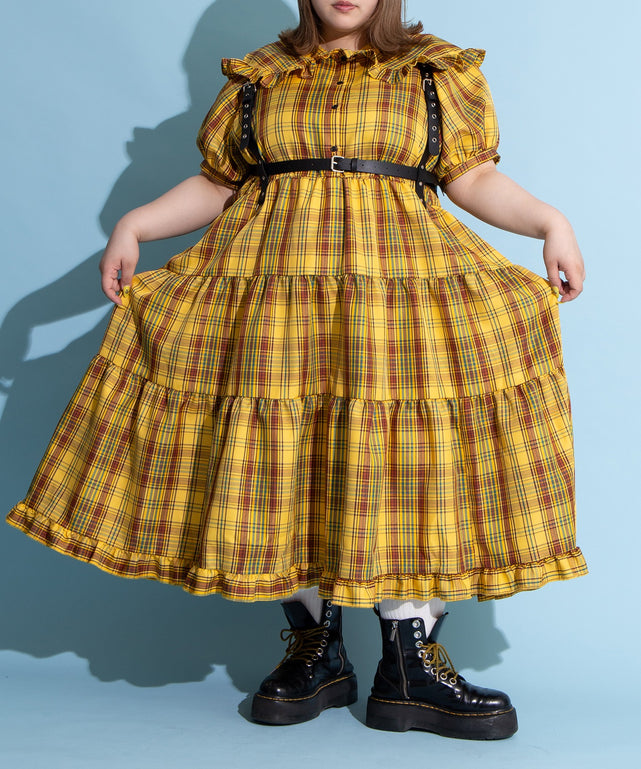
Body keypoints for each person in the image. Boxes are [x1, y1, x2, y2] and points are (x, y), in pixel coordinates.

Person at [6, 0, 587, 740]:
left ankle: (409, 666)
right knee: (289, 459)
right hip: (275, 302)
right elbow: (219, 184)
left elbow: (470, 176)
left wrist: (551, 222)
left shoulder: (432, 72)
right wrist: (134, 224)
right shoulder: (261, 77)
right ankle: (319, 652)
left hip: (394, 298)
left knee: (405, 462)